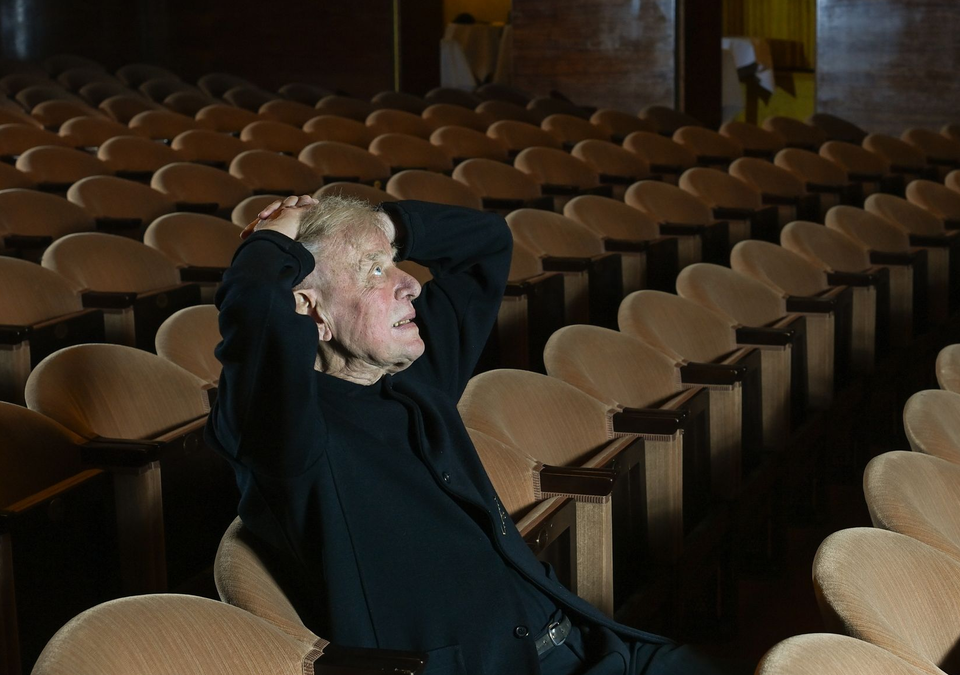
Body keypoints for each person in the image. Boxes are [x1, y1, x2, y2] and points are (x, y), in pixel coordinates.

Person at [207, 194, 742, 675]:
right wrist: (271, 240)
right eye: (374, 270)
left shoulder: (414, 375)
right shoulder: (285, 433)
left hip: (586, 643)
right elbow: (254, 318)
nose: (411, 283)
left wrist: (384, 227)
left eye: (393, 262)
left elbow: (487, 243)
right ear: (311, 310)